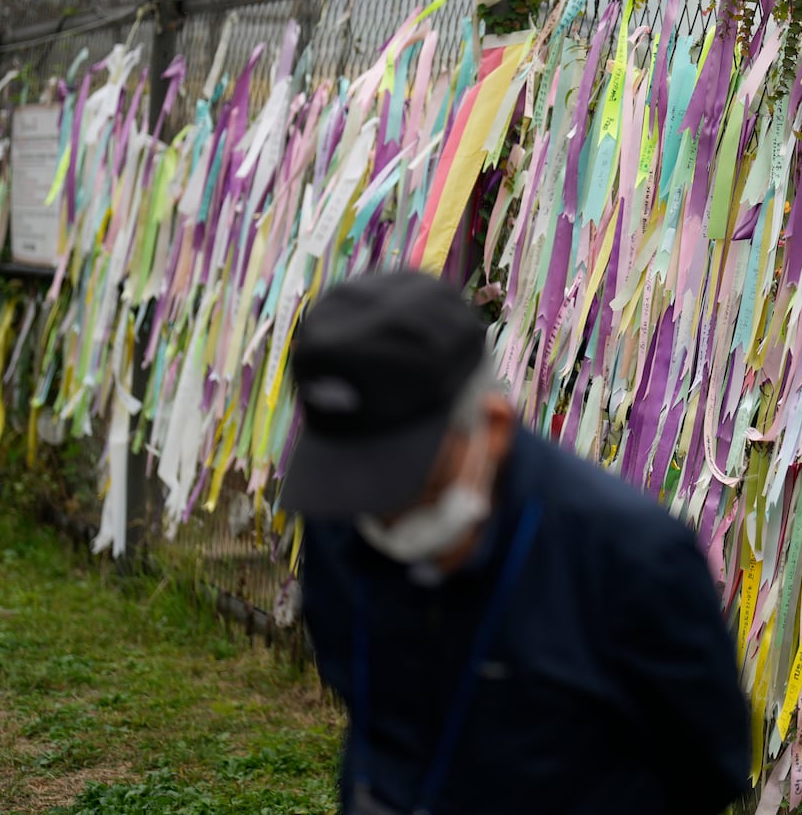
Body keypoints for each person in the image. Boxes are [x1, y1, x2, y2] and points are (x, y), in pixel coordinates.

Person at [280, 269, 752, 815]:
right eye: (356, 481)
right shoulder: (341, 512)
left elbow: (709, 766)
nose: (382, 515)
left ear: (493, 426)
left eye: (406, 483)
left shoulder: (633, 558)